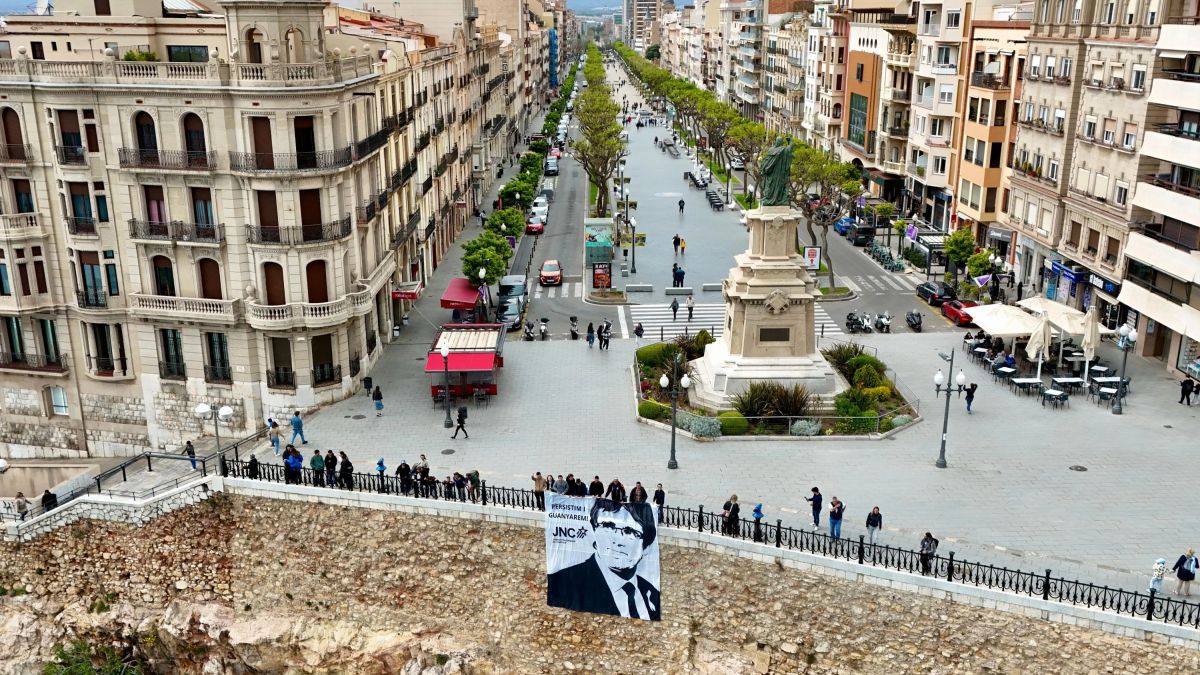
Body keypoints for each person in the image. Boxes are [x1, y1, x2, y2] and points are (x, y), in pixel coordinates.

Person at [546, 500, 661, 620]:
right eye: (608, 526)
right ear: (594, 531)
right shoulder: (563, 583)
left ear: (646, 548)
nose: (617, 540)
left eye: (630, 532)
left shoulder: (651, 594)